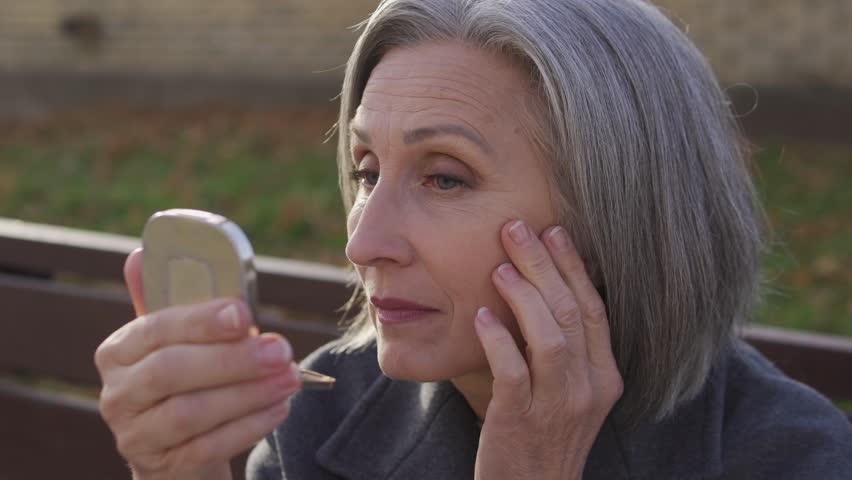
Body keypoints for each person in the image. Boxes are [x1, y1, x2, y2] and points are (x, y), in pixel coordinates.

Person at [94, 0, 852, 478]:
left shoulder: (790, 457)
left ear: (620, 215)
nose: (363, 245)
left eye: (444, 177)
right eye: (366, 170)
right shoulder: (324, 413)